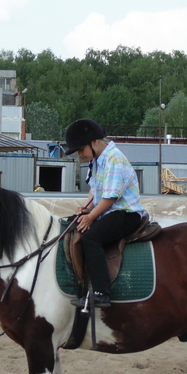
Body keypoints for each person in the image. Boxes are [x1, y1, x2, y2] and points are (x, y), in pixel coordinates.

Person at [64, 118, 145, 308]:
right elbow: (95, 189)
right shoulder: (97, 160)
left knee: (91, 238)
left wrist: (91, 217)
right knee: (74, 224)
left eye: (81, 150)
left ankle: (101, 293)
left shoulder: (114, 159)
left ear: (94, 142)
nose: (80, 155)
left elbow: (111, 197)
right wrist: (87, 209)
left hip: (125, 213)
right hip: (109, 211)